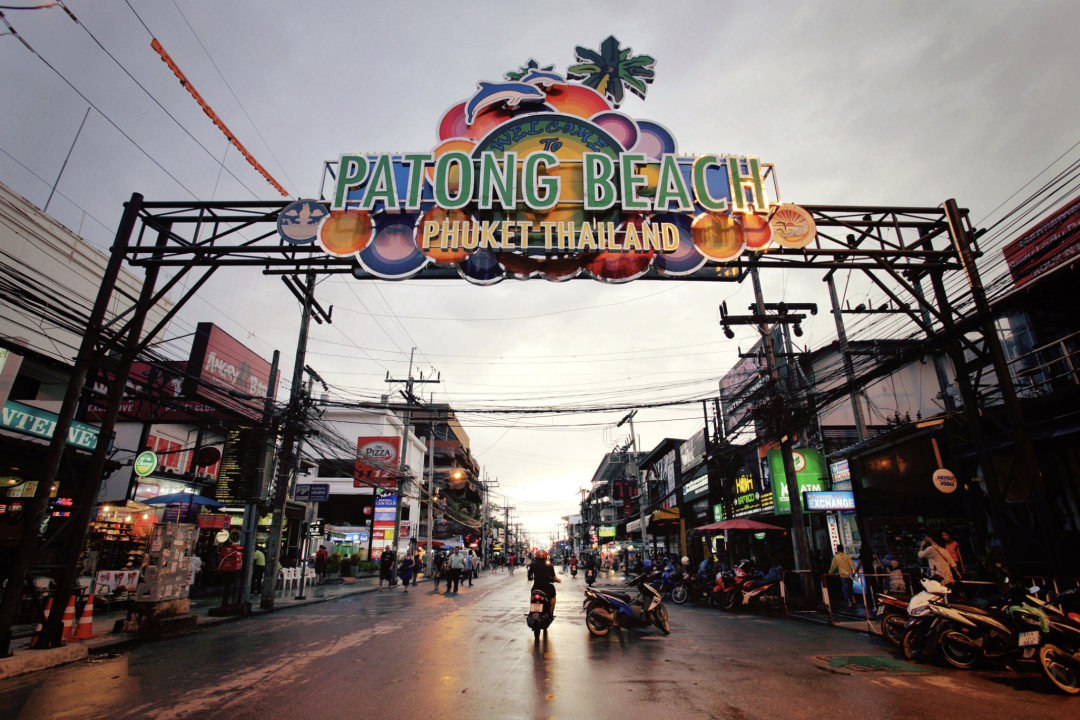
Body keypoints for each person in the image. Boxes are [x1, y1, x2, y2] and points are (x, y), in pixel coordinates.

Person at [528, 550, 561, 614]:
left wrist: (531, 578)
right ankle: (551, 612)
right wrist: (558, 580)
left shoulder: (533, 565)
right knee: (553, 597)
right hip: (546, 588)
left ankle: (531, 611)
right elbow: (554, 578)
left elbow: (529, 575)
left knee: (532, 596)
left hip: (536, 588)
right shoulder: (550, 566)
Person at [217, 539, 243, 607]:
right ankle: (225, 602)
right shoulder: (227, 550)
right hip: (227, 567)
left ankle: (226, 602)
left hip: (230, 567)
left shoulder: (230, 550)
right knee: (227, 583)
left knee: (228, 583)